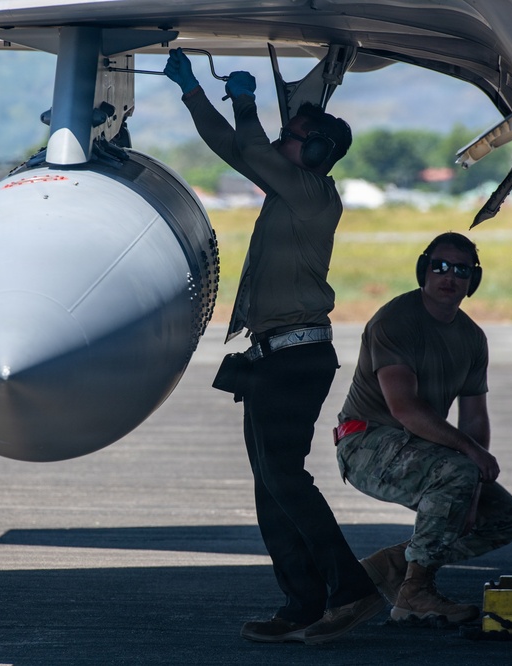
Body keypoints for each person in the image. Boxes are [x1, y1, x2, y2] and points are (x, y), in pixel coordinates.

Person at [164, 48, 385, 645]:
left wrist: (244, 102)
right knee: (271, 483)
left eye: (295, 137)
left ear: (316, 153)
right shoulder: (287, 188)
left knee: (285, 479)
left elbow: (252, 147)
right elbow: (235, 148)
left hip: (296, 357)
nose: (285, 144)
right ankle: (302, 604)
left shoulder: (311, 193)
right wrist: (193, 95)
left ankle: (350, 590)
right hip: (272, 357)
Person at [334, 232, 512, 624]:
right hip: (366, 441)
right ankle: (415, 591)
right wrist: (470, 458)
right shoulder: (396, 321)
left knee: (506, 518)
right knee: (457, 471)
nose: (448, 277)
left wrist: (473, 492)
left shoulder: (472, 338)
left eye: (460, 270)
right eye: (439, 267)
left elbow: (473, 419)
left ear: (473, 281)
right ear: (424, 270)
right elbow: (404, 409)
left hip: (423, 448)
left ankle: (395, 564)